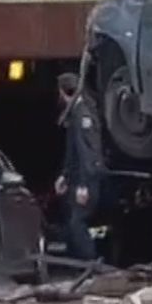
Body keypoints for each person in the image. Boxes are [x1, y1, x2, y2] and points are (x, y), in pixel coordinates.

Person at [54, 73, 105, 261]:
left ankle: (90, 264)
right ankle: (78, 262)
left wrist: (84, 185)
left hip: (87, 178)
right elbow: (73, 152)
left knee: (78, 222)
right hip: (77, 178)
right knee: (70, 219)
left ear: (63, 92)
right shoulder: (76, 111)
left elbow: (88, 152)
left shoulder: (83, 113)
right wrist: (65, 177)